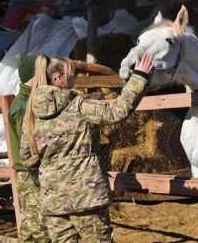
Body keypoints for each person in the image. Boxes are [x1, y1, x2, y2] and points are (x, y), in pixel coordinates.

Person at [21, 53, 155, 242]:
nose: (74, 79)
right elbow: (118, 109)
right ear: (59, 78)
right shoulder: (79, 107)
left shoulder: (32, 115)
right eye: (71, 75)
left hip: (53, 202)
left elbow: (29, 160)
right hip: (87, 198)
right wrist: (140, 76)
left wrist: (51, 178)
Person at [9, 54, 50, 243]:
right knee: (40, 230)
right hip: (30, 174)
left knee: (32, 229)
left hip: (31, 172)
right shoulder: (24, 105)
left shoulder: (29, 100)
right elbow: (29, 146)